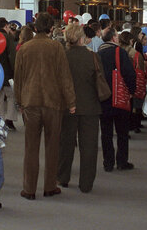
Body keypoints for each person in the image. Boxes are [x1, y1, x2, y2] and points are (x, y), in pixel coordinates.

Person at [14, 12, 76, 200]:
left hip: (30, 102)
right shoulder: (56, 47)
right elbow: (65, 77)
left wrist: (19, 101)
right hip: (53, 103)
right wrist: (71, 101)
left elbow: (18, 79)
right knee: (52, 147)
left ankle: (29, 189)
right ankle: (50, 186)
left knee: (31, 148)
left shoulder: (24, 48)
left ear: (34, 27)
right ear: (51, 28)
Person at [58, 23, 103, 192]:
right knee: (89, 147)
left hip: (67, 106)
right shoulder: (93, 57)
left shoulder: (63, 57)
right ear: (81, 38)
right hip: (90, 106)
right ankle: (86, 183)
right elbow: (100, 79)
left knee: (65, 145)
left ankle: (62, 177)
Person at [97, 28, 136, 172]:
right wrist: (131, 92)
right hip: (119, 96)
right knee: (122, 132)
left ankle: (108, 162)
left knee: (106, 132)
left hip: (103, 97)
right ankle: (122, 161)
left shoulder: (98, 54)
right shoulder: (121, 53)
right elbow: (129, 74)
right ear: (114, 38)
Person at [0, 17, 18, 130]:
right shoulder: (8, 38)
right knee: (11, 96)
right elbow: (12, 56)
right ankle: (9, 119)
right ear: (6, 26)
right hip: (7, 72)